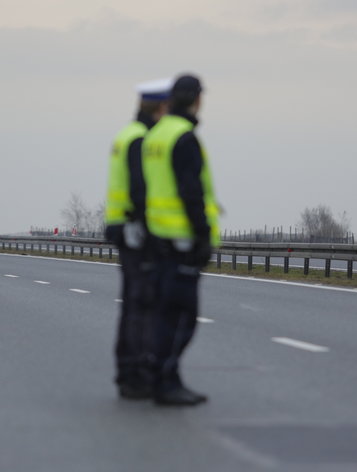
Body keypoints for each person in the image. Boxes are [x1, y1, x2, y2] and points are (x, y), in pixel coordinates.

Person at [141, 74, 220, 406]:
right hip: (182, 240)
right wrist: (202, 235)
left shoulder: (155, 135)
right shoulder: (184, 138)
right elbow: (191, 192)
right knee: (183, 317)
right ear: (196, 99)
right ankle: (165, 381)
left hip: (157, 238)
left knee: (165, 313)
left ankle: (164, 377)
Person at [104, 78, 172, 400]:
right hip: (136, 233)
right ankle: (132, 375)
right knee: (140, 305)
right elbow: (140, 190)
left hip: (124, 228)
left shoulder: (127, 134)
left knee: (135, 304)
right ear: (161, 107)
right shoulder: (140, 139)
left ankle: (130, 373)